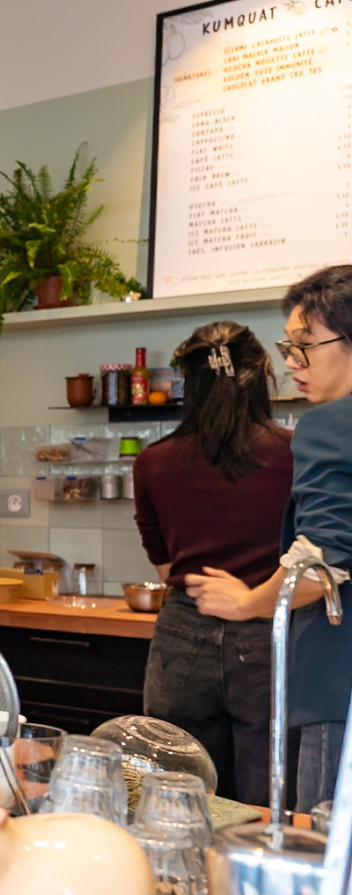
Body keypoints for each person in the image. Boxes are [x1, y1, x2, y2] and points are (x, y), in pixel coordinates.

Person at [186, 266, 352, 812]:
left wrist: (246, 603)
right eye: (288, 347)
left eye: (305, 344)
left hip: (338, 689)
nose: (292, 362)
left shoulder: (330, 425)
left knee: (327, 851)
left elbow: (322, 565)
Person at [133, 321, 293, 803]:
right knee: (267, 801)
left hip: (185, 630)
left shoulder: (153, 462)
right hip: (269, 630)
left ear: (189, 382)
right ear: (260, 375)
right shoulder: (294, 454)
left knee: (179, 795)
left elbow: (164, 568)